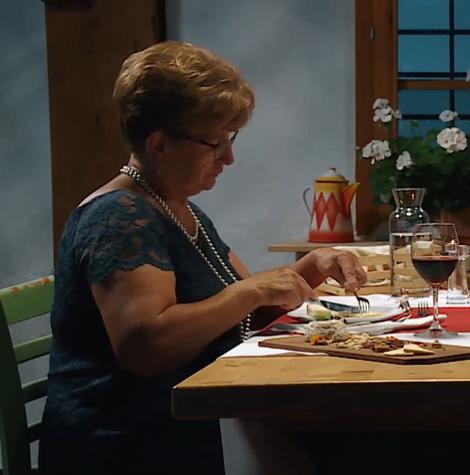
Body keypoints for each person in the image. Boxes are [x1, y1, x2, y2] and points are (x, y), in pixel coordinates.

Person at [38, 41, 367, 474]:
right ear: (159, 145)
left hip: (184, 427)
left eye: (230, 140)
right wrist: (250, 292)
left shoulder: (175, 206)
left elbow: (234, 312)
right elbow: (146, 346)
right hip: (123, 446)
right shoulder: (118, 218)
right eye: (215, 143)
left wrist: (310, 268)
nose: (228, 157)